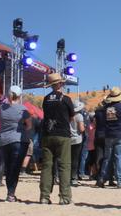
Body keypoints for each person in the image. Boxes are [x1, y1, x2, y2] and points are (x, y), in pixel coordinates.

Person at [39, 72, 75, 205]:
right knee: (64, 166)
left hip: (48, 135)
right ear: (61, 84)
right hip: (63, 135)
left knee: (47, 166)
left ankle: (44, 196)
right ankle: (64, 197)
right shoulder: (66, 99)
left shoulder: (46, 99)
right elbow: (71, 117)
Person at [0, 85, 31, 202]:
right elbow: (29, 126)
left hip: (3, 141)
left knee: (8, 168)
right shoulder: (23, 110)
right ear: (20, 96)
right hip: (18, 141)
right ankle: (11, 194)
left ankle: (9, 193)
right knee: (15, 168)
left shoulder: (1, 108)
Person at [96, 87, 121, 188]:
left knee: (107, 158)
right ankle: (120, 181)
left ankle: (102, 179)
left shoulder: (106, 108)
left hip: (109, 135)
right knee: (120, 158)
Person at [69, 101, 85, 186]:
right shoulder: (79, 116)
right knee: (75, 159)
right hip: (77, 139)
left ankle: (66, 177)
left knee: (68, 159)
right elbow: (81, 129)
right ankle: (73, 178)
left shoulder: (68, 115)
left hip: (68, 139)